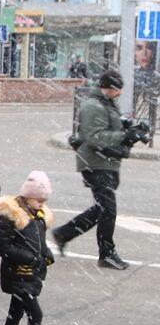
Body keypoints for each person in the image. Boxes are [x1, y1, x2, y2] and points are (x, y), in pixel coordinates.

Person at [53, 69, 133, 270]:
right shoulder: (93, 105)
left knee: (101, 209)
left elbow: (107, 129)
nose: (120, 94)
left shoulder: (105, 103)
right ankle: (106, 253)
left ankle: (64, 233)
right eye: (118, 90)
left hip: (106, 162)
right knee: (108, 209)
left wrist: (128, 129)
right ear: (110, 88)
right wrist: (123, 136)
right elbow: (94, 137)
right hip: (95, 162)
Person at [0, 172, 61, 325]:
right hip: (18, 275)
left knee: (16, 312)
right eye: (38, 200)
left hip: (32, 274)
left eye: (44, 201)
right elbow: (2, 246)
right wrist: (29, 258)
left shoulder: (37, 217)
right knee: (35, 313)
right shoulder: (13, 217)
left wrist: (46, 254)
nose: (41, 204)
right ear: (27, 196)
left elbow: (38, 243)